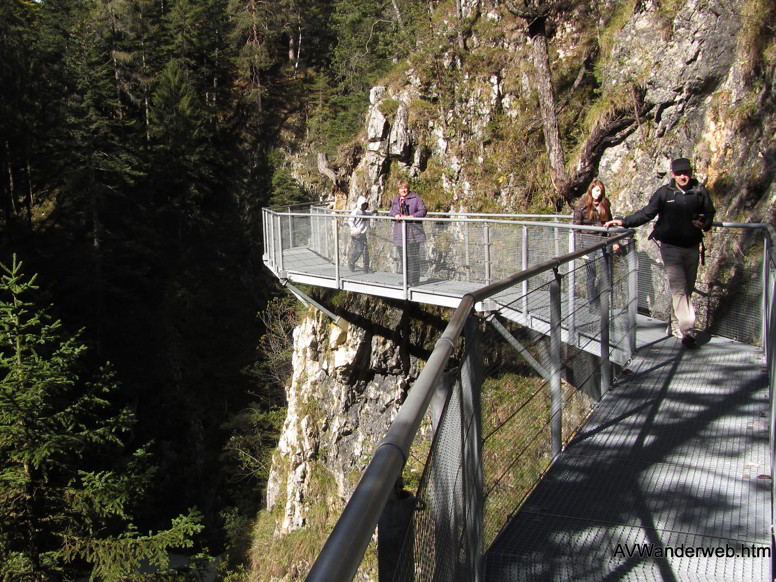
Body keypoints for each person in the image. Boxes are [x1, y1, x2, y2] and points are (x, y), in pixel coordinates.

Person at [605, 157, 715, 348]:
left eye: (686, 172)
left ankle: (674, 325)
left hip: (692, 247)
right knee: (679, 287)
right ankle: (688, 332)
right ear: (673, 174)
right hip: (670, 248)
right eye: (679, 173)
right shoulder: (664, 193)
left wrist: (705, 223)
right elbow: (647, 213)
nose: (683, 176)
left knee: (686, 289)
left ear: (691, 172)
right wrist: (624, 221)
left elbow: (710, 214)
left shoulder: (699, 191)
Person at [573, 179, 619, 312]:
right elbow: (576, 228)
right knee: (591, 275)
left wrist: (614, 240)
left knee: (606, 273)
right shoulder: (581, 205)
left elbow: (610, 223)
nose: (598, 193)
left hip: (603, 241)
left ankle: (604, 302)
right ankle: (592, 304)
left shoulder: (605, 203)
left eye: (601, 191)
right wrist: (580, 249)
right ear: (591, 190)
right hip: (589, 243)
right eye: (596, 190)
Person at [390, 181, 427, 286]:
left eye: (405, 188)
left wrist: (413, 216)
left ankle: (414, 281)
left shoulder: (416, 198)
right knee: (403, 257)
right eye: (401, 188)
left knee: (412, 257)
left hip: (413, 233)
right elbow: (391, 212)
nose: (403, 190)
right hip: (400, 232)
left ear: (408, 188)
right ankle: (406, 280)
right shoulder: (396, 199)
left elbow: (423, 210)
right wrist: (395, 214)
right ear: (398, 189)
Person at [348, 195, 375, 273]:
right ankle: (351, 262)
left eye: (366, 205)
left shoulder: (364, 212)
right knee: (358, 250)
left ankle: (366, 268)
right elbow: (350, 221)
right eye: (364, 205)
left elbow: (367, 213)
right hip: (356, 234)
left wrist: (373, 212)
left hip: (363, 234)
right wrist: (355, 229)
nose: (365, 206)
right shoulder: (355, 211)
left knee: (365, 251)